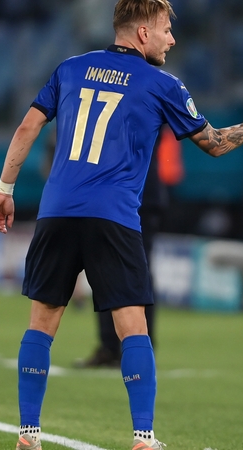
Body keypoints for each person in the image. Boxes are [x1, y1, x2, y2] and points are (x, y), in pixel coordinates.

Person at [0, 1, 243, 449]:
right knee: (133, 327)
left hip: (57, 212)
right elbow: (215, 144)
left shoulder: (70, 68)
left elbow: (28, 127)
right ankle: (143, 437)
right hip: (114, 217)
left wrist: (5, 189)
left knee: (41, 325)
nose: (172, 39)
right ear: (143, 33)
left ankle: (28, 434)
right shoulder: (163, 83)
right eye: (165, 30)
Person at [76, 127, 178, 368]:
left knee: (137, 271)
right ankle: (110, 346)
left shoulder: (149, 104)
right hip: (107, 195)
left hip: (139, 196)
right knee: (103, 268)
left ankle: (139, 349)